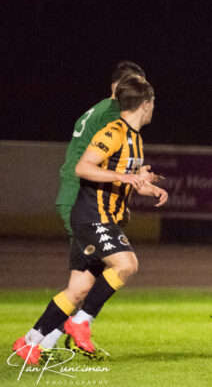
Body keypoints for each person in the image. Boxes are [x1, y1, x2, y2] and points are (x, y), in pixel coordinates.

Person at [12, 76, 168, 365]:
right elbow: (84, 167)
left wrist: (147, 186)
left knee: (78, 289)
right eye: (153, 103)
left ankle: (29, 342)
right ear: (145, 104)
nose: (154, 108)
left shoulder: (135, 139)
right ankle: (81, 321)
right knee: (127, 264)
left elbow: (122, 177)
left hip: (102, 217)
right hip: (93, 217)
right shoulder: (113, 132)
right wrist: (123, 176)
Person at [53, 61, 161, 359]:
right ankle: (68, 331)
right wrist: (124, 187)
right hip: (85, 201)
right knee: (108, 273)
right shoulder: (114, 114)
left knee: (84, 283)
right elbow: (93, 164)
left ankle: (41, 343)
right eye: (139, 87)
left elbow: (113, 161)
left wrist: (136, 177)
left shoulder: (100, 110)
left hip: (83, 198)